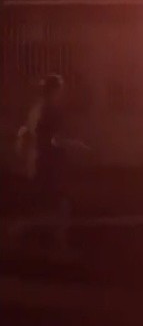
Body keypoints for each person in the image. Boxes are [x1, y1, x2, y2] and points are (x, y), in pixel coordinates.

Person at [14, 74, 88, 258]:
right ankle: (23, 233)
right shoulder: (51, 111)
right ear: (55, 90)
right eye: (61, 89)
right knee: (60, 204)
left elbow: (25, 134)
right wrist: (75, 145)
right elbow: (55, 139)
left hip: (38, 162)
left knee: (49, 204)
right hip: (49, 164)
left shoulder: (36, 109)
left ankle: (37, 238)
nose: (63, 93)